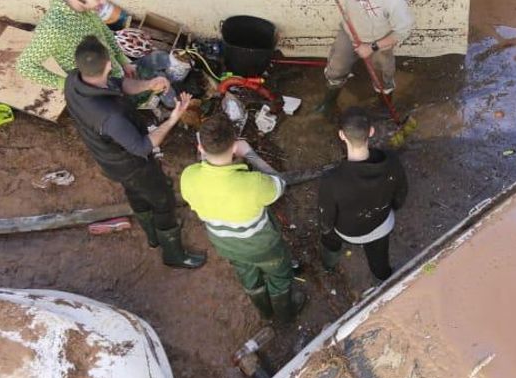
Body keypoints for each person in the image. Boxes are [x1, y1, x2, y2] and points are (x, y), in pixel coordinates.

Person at [64, 36, 205, 270]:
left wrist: (148, 84)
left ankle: (151, 236)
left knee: (135, 192)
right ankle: (173, 254)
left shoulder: (75, 80)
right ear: (109, 63)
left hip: (110, 161)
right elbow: (142, 146)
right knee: (162, 199)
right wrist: (173, 119)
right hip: (132, 163)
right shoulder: (110, 117)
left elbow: (117, 84)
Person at [179, 114, 306, 324]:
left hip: (226, 245)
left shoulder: (188, 176)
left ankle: (265, 312)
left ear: (200, 148)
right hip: (263, 246)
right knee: (280, 277)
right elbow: (279, 183)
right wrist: (250, 153)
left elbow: (206, 173)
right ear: (234, 146)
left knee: (248, 275)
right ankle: (285, 314)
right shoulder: (254, 183)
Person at [311, 0, 414, 116]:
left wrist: (372, 47)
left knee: (381, 77)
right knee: (336, 67)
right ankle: (329, 103)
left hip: (378, 40)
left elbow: (403, 31)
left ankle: (384, 108)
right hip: (350, 30)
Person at [317, 107, 409, 283]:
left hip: (348, 232)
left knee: (327, 235)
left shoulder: (331, 180)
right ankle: (383, 280)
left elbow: (326, 220)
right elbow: (401, 195)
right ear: (371, 131)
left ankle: (329, 264)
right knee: (379, 257)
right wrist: (390, 207)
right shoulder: (391, 160)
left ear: (342, 135)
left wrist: (327, 229)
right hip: (381, 225)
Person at [18, 0, 137, 91]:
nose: (104, 3)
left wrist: (123, 61)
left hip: (113, 69)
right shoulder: (53, 29)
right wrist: (68, 85)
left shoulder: (88, 7)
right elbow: (25, 66)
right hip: (95, 87)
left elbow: (103, 30)